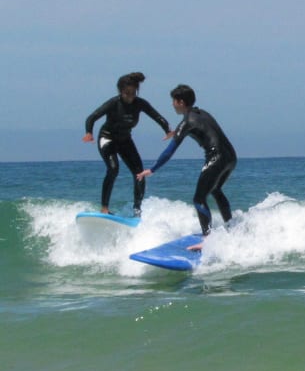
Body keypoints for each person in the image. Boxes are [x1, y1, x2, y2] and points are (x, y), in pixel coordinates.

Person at [137, 85, 237, 243]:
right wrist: (176, 132)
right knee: (216, 190)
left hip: (216, 158)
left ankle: (207, 240)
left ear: (181, 102)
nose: (172, 104)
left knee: (199, 199)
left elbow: (170, 151)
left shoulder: (186, 122)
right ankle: (232, 230)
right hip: (231, 157)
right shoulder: (202, 113)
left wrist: (152, 169)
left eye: (174, 101)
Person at [83, 72, 171, 216]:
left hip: (125, 140)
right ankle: (105, 208)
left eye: (133, 93)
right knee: (113, 169)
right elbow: (92, 117)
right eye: (127, 93)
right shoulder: (113, 103)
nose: (130, 96)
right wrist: (88, 133)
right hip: (107, 138)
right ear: (120, 91)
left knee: (139, 173)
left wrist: (168, 130)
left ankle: (137, 210)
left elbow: (157, 117)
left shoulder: (140, 103)